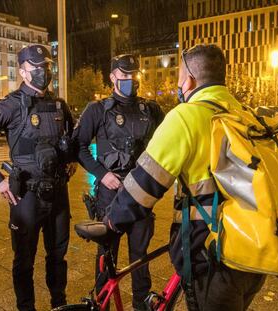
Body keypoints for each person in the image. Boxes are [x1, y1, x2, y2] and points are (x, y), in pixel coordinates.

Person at [100, 45, 266, 310]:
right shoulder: (245, 114)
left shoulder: (186, 116)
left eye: (178, 75)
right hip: (256, 251)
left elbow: (144, 185)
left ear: (188, 78)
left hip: (213, 255)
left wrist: (111, 221)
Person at [0, 45, 75, 311]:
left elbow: (71, 139)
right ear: (23, 72)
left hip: (58, 194)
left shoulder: (59, 105)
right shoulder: (10, 106)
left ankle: (59, 303)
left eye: (46, 67)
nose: (43, 72)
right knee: (24, 260)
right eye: (36, 68)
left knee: (58, 256)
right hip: (27, 196)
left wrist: (70, 161)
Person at [73, 54, 164, 310]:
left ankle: (140, 305)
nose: (130, 81)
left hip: (141, 193)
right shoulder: (97, 110)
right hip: (109, 195)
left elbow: (167, 144)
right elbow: (77, 147)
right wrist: (102, 174)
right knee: (106, 256)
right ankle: (102, 304)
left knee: (140, 257)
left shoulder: (151, 109)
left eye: (133, 77)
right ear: (112, 77)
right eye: (124, 77)